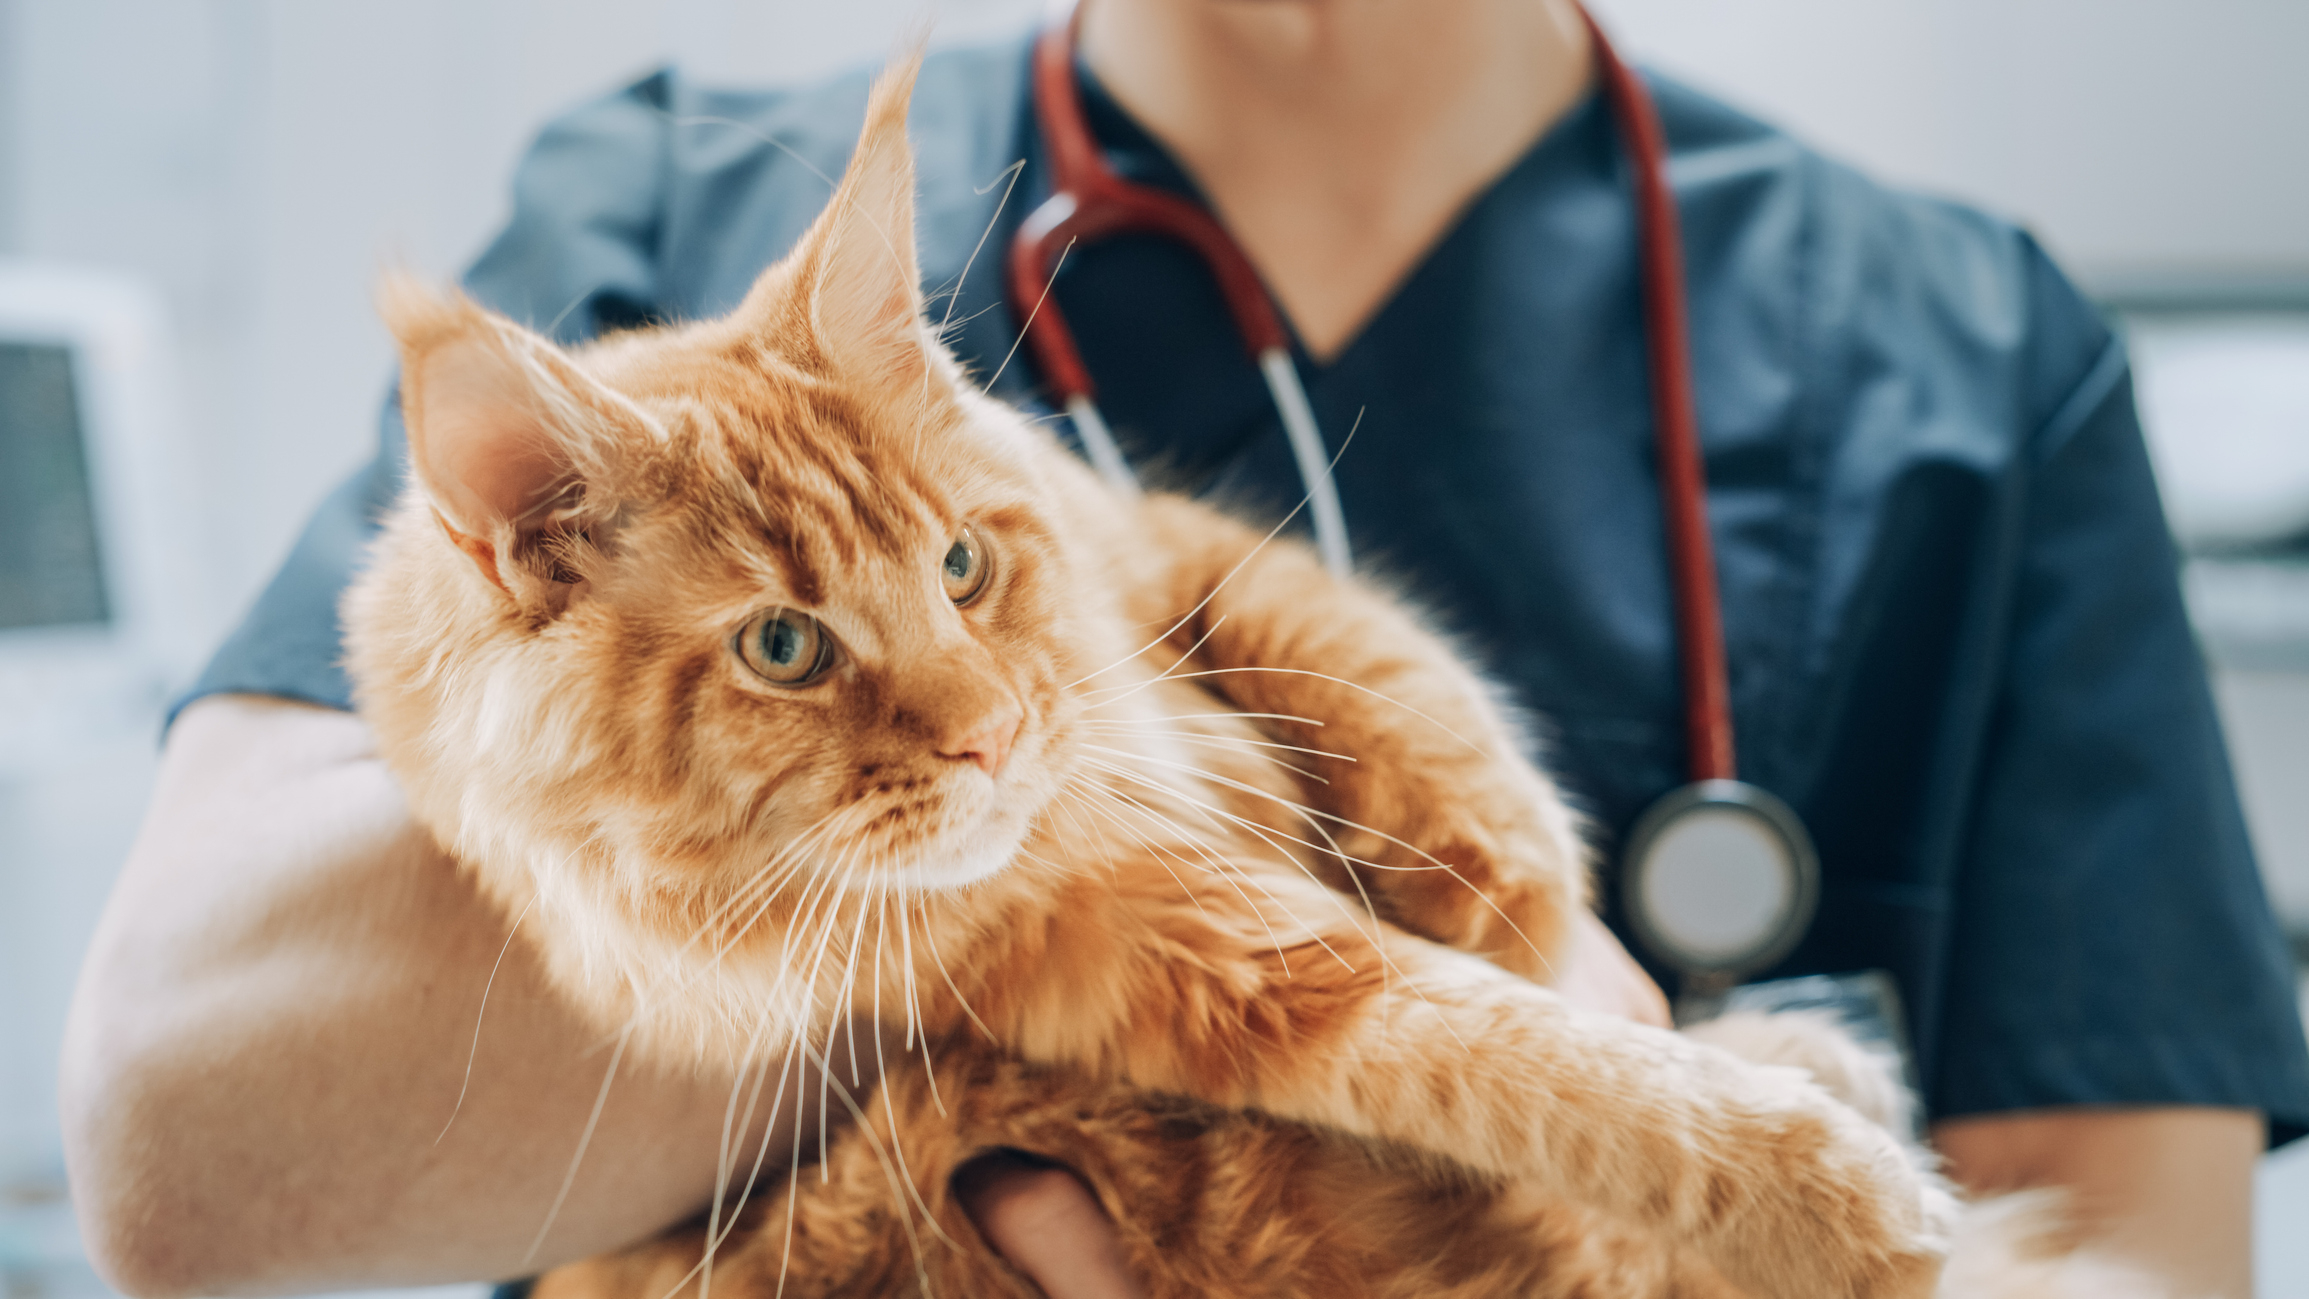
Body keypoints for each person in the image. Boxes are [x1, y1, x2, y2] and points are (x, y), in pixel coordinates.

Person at [61, 2, 2308, 1297]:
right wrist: (1242, 918)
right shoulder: (681, 222)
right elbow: (189, 1143)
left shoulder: (1967, 347)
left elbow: (2121, 1257)